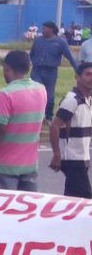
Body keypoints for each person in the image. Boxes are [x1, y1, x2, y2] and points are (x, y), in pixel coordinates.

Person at [0, 51, 47, 191]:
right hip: (29, 166)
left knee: (3, 211)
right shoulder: (41, 90)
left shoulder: (5, 94)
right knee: (26, 211)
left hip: (3, 167)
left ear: (7, 68)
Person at [49, 62, 92, 198]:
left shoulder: (88, 99)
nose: (91, 78)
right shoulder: (72, 100)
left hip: (82, 157)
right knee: (86, 199)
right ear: (77, 77)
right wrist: (57, 154)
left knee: (73, 198)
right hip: (72, 159)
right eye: (88, 74)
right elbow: (54, 126)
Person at [30, 21, 79, 121]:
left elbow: (70, 57)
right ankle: (36, 116)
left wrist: (78, 71)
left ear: (51, 30)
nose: (42, 30)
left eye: (44, 28)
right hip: (37, 70)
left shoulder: (60, 42)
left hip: (51, 72)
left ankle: (48, 116)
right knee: (37, 93)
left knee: (50, 96)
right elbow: (32, 54)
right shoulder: (38, 40)